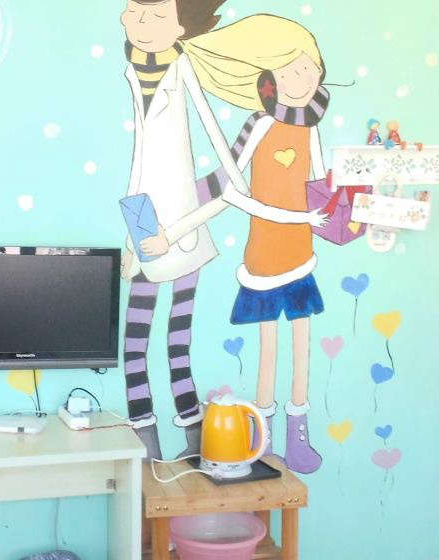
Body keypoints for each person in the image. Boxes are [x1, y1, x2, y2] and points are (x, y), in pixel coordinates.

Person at [159, 15, 333, 473]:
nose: (304, 78)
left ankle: (299, 434)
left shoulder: (311, 126)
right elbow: (233, 192)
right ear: (271, 77)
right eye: (292, 70)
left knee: (302, 344)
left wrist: (343, 208)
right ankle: (265, 436)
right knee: (269, 347)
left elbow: (319, 184)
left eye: (310, 68)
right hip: (266, 254)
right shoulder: (259, 124)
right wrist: (293, 216)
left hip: (301, 251)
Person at [117, 0, 269, 460]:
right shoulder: (135, 72)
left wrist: (177, 231)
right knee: (133, 346)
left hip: (182, 230)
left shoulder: (183, 72)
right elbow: (140, 165)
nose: (140, 23)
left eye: (155, 16)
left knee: (176, 342)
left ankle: (194, 442)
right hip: (144, 223)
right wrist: (132, 238)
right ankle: (144, 451)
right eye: (134, 12)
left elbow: (232, 183)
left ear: (181, 28)